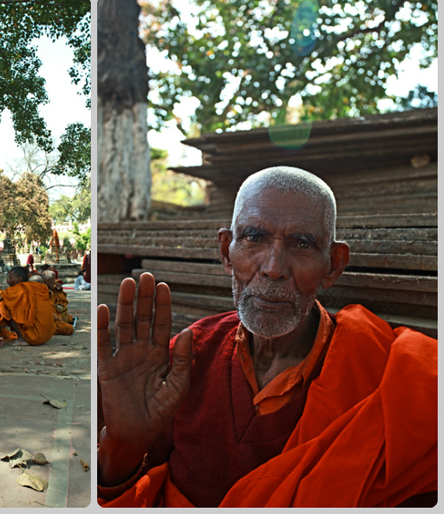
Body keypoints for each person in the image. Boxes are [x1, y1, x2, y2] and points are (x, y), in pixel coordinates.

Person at [97, 166, 437, 508]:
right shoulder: (184, 361)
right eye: (254, 238)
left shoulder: (386, 374)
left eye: (302, 244)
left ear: (332, 264)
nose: (273, 267)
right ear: (226, 251)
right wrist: (123, 445)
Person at [0, 266, 55, 346]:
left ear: (19, 279)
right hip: (47, 336)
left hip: (34, 337)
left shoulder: (16, 289)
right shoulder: (39, 287)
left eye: (10, 278)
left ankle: (21, 339)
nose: (8, 281)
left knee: (6, 308)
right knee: (11, 305)